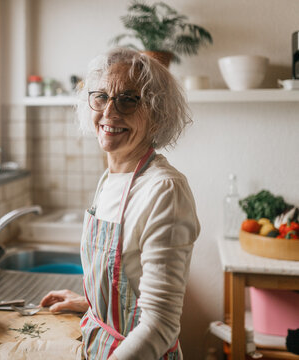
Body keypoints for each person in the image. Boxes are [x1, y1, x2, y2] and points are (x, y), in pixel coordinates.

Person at [40, 48, 200, 360]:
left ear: (156, 114)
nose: (110, 112)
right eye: (101, 96)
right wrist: (93, 303)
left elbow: (160, 325)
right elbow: (128, 285)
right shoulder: (110, 178)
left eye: (128, 99)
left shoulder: (165, 189)